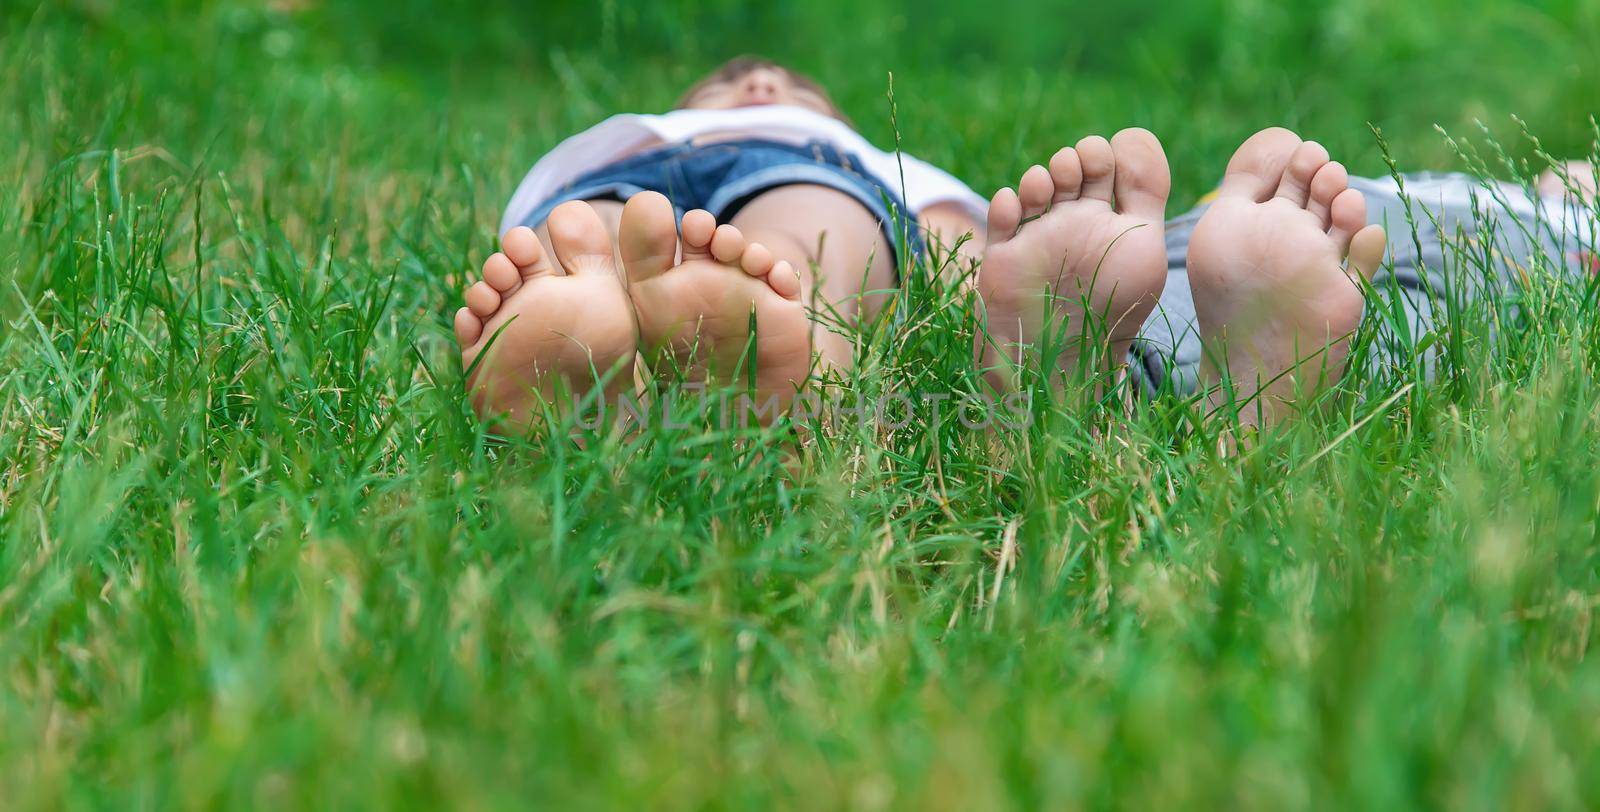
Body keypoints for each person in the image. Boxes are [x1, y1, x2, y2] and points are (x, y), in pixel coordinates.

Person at [454, 56, 1598, 431]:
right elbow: (949, 249)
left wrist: (969, 287)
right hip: (608, 197)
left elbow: (946, 241)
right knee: (591, 244)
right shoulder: (647, 144)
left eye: (783, 83)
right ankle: (591, 322)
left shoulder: (869, 170)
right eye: (737, 81)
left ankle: (793, 366)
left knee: (820, 235)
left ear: (831, 115)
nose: (757, 83)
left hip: (811, 195)